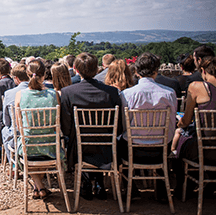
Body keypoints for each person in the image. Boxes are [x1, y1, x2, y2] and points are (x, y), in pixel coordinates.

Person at [60, 52, 123, 200]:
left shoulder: (68, 92)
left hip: (80, 147)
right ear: (97, 70)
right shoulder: (112, 92)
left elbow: (66, 126)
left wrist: (71, 136)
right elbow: (119, 125)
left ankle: (86, 182)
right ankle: (99, 183)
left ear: (76, 69)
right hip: (107, 145)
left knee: (79, 140)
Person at [119, 52, 177, 201]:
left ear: (136, 72)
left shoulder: (127, 94)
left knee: (118, 143)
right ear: (156, 71)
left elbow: (125, 126)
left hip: (133, 150)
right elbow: (171, 127)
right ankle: (162, 188)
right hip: (160, 150)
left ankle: (131, 189)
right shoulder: (169, 93)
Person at [172, 56, 216, 198]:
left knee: (180, 142)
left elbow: (186, 121)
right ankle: (214, 183)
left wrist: (179, 124)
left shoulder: (196, 87)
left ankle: (183, 187)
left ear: (203, 71)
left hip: (202, 150)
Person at [15, 59, 63, 199]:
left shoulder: (20, 95)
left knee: (29, 147)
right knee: (39, 148)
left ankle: (38, 186)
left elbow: (20, 127)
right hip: (51, 148)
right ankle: (40, 186)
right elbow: (57, 122)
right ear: (44, 75)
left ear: (28, 75)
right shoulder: (54, 95)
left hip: (28, 147)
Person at [1, 64, 29, 166]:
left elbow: (6, 120)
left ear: (16, 79)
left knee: (4, 130)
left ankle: (13, 165)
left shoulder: (9, 94)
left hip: (18, 136)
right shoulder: (41, 92)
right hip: (39, 134)